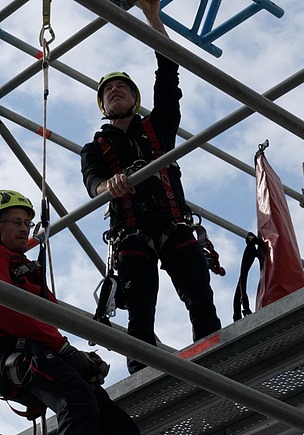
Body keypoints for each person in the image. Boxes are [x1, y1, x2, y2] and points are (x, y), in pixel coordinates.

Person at [81, 0, 222, 374]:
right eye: (108, 90)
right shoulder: (95, 148)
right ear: (102, 105)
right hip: (132, 234)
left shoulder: (157, 128)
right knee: (140, 315)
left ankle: (216, 366)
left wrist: (152, 17)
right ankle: (143, 379)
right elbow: (93, 182)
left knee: (201, 300)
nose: (115, 91)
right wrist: (106, 187)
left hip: (173, 225)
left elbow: (168, 71)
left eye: (122, 88)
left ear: (134, 98)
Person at [0, 190, 140, 435]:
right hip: (13, 352)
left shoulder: (22, 266)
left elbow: (48, 314)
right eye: (15, 222)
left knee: (118, 425)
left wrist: (71, 354)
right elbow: (8, 312)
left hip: (35, 351)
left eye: (27, 223)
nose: (24, 228)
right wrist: (64, 349)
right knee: (77, 403)